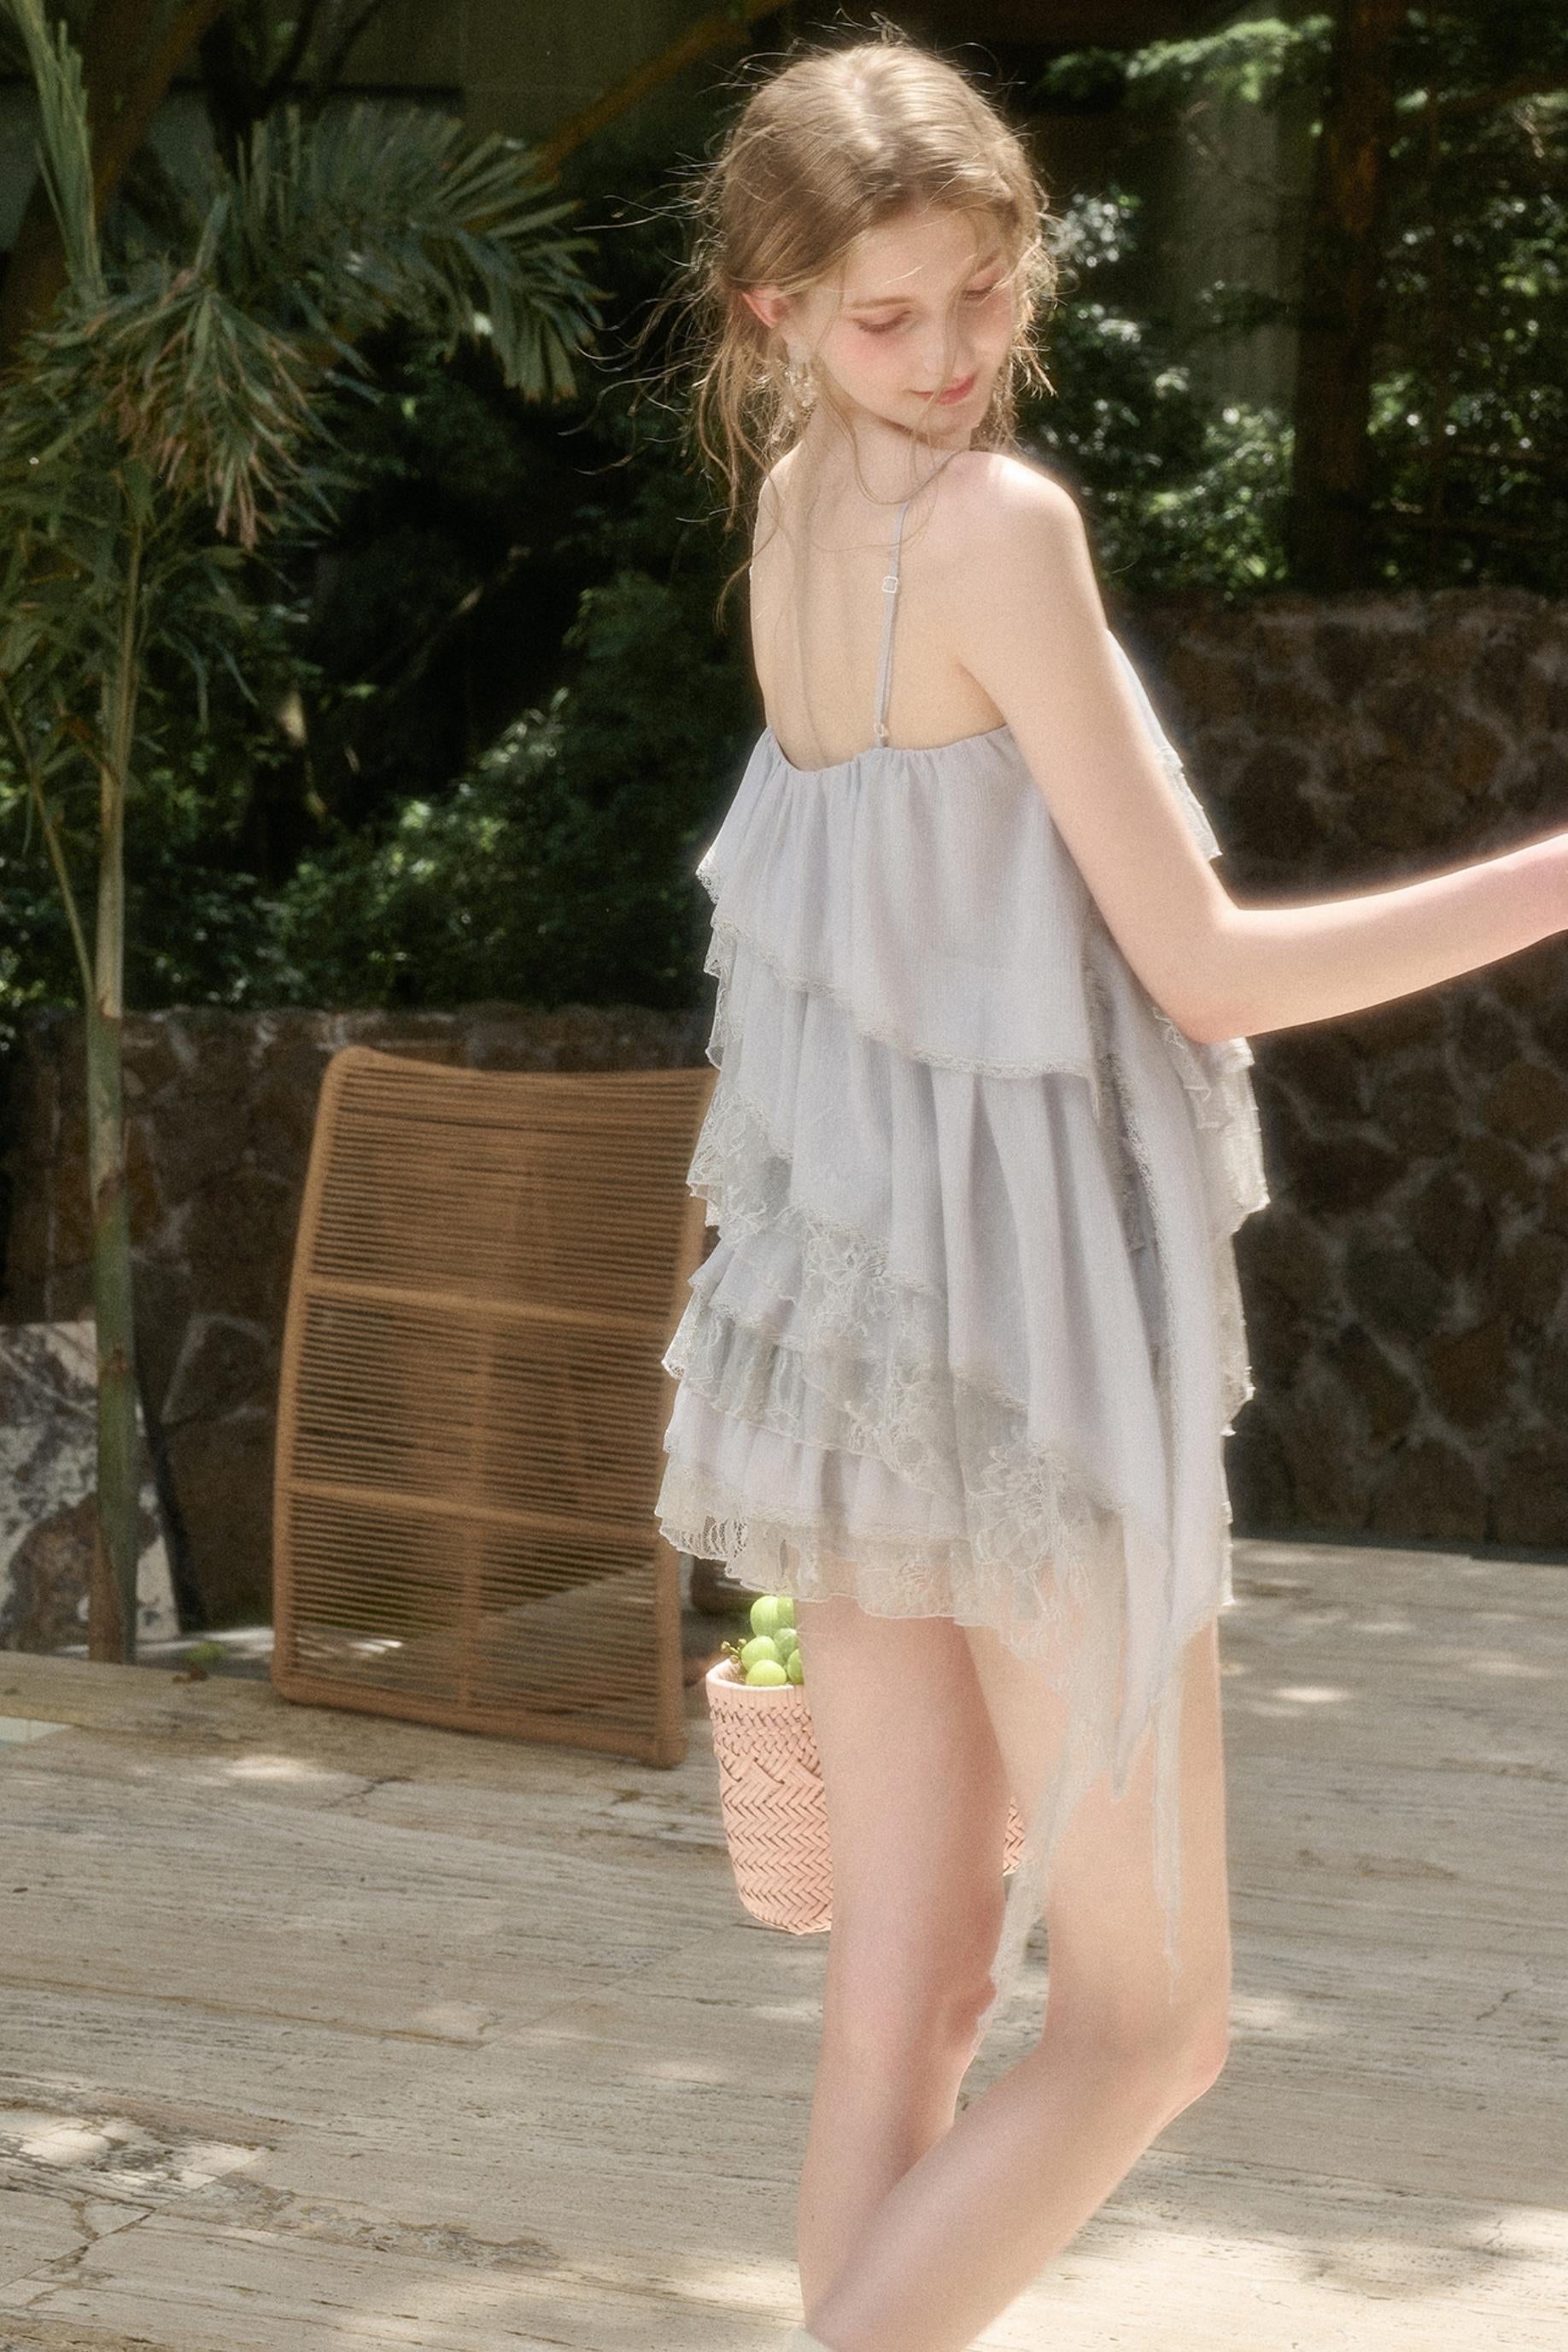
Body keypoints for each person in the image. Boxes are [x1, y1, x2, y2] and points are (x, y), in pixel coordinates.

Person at [648, 31, 1568, 2352]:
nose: (948, 355)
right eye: (886, 316)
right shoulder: (995, 529)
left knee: (916, 1977)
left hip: (851, 1329)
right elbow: (1207, 965)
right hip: (1030, 1339)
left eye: (981, 293)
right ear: (770, 310)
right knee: (1148, 2026)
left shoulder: (796, 518)